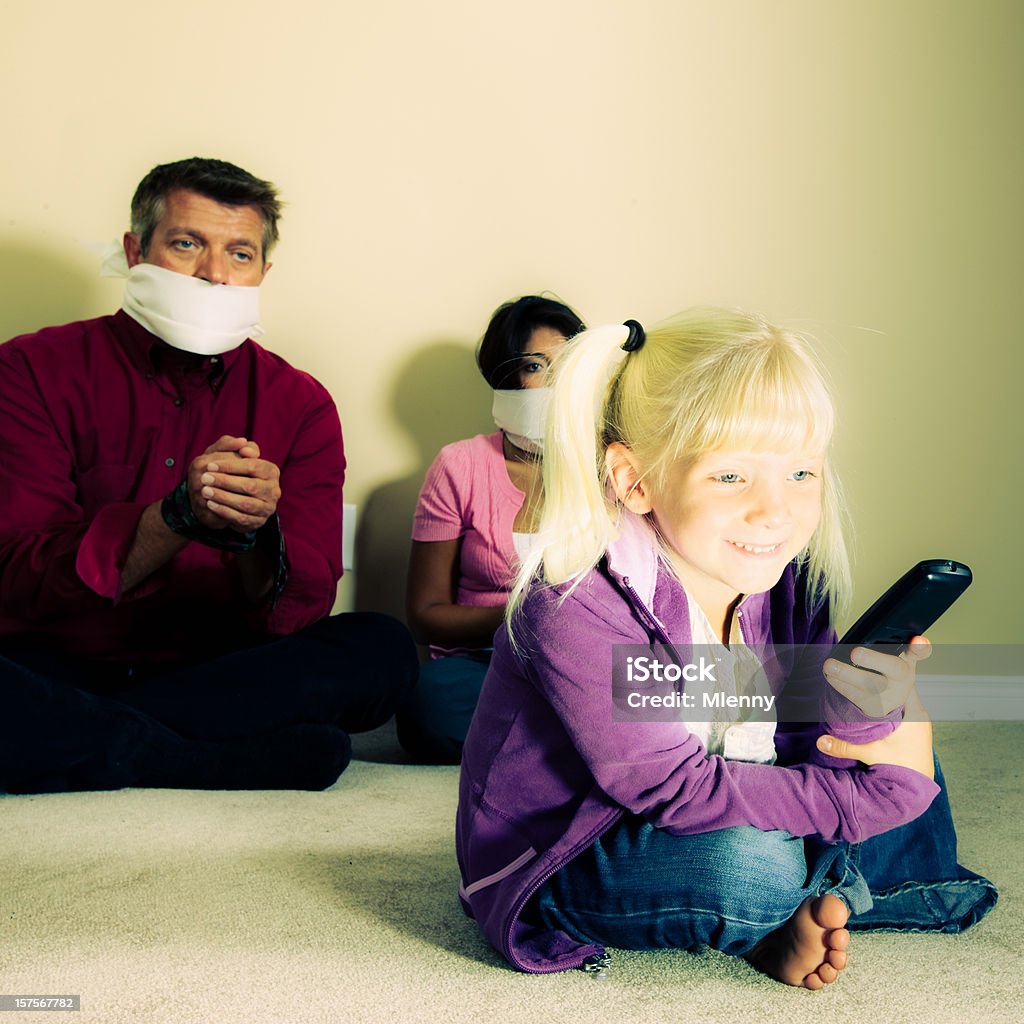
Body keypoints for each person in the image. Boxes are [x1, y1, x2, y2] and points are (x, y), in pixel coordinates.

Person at [455, 309, 995, 987]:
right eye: (731, 477)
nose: (776, 512)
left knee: (905, 757)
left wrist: (873, 711)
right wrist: (868, 802)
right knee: (750, 869)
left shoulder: (786, 577)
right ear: (636, 480)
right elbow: (670, 787)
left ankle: (806, 894)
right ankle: (802, 900)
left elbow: (811, 732)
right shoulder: (577, 602)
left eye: (801, 474)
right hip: (587, 840)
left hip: (730, 785)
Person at [0, 156, 417, 794]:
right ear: (136, 250)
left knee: (380, 649)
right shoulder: (30, 370)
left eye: (240, 254)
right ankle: (198, 760)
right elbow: (14, 577)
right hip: (61, 657)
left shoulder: (299, 403)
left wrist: (253, 531)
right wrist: (172, 520)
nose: (215, 275)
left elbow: (301, 610)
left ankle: (95, 740)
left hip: (219, 668)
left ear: (263, 272)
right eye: (187, 244)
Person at [399, 296, 585, 763]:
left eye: (568, 368)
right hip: (486, 662)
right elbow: (425, 614)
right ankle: (584, 740)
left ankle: (560, 737)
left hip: (584, 659)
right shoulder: (460, 464)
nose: (555, 384)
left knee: (752, 680)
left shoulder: (605, 467)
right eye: (535, 365)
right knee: (428, 706)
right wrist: (525, 619)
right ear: (504, 376)